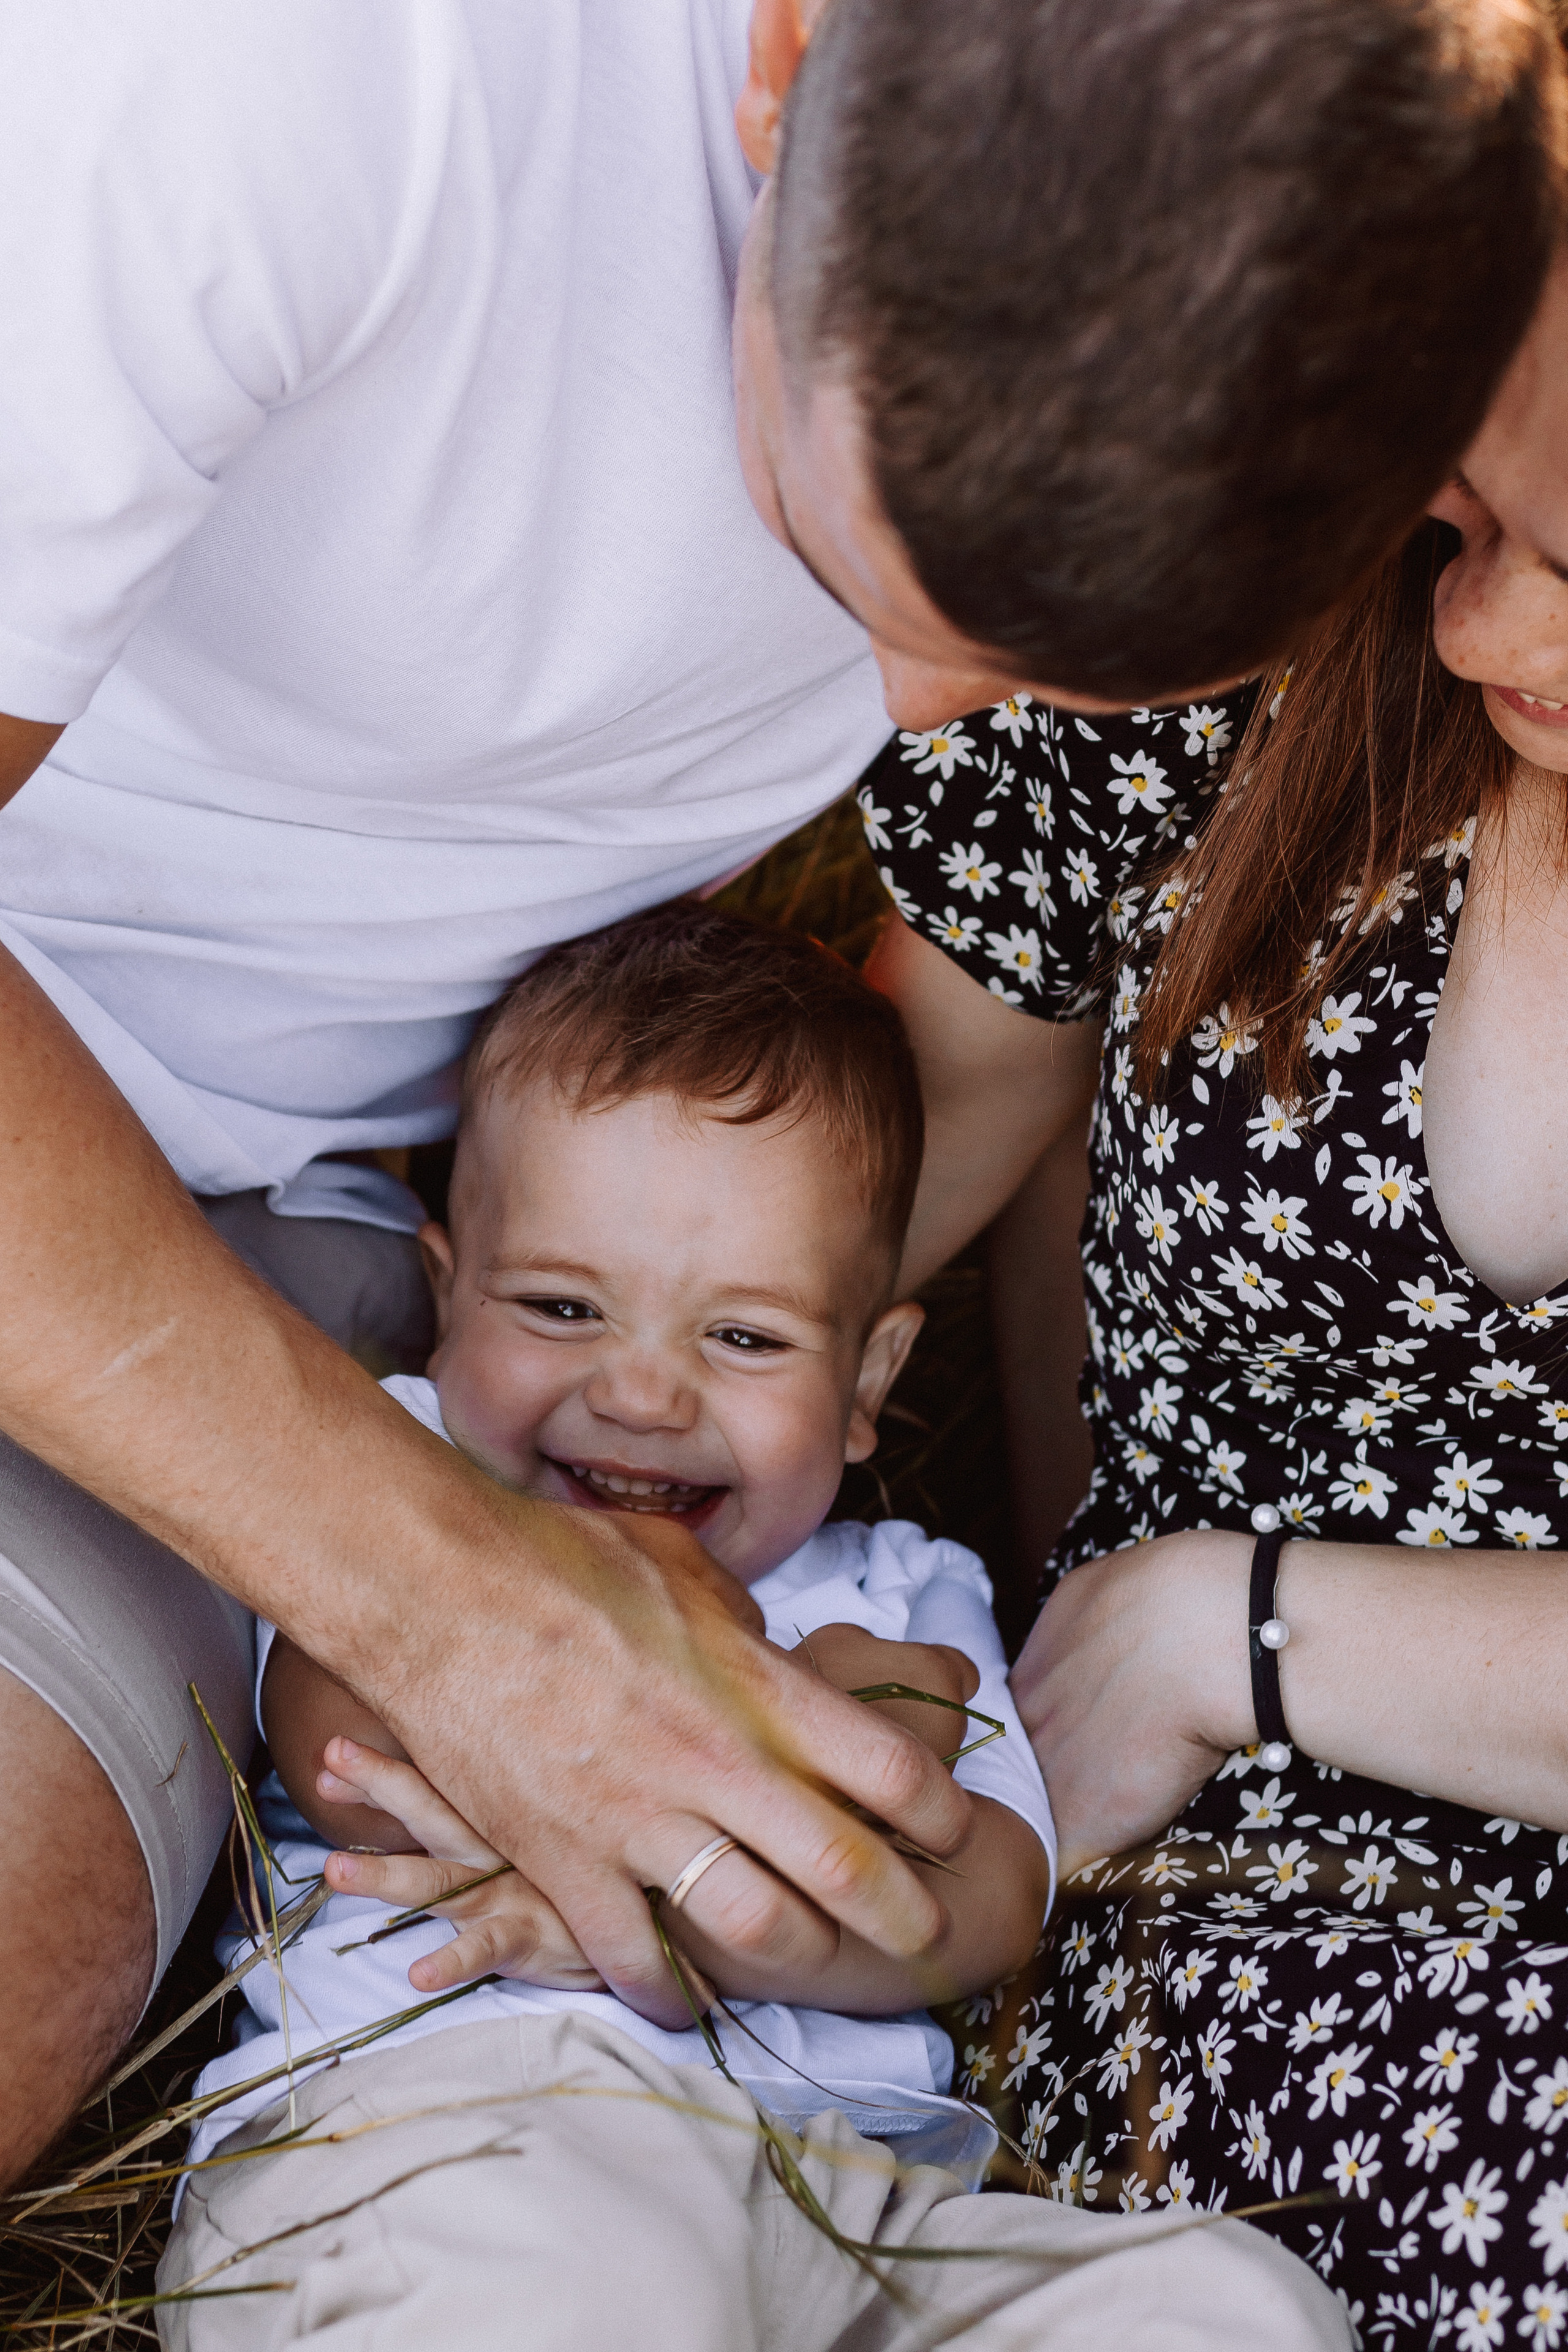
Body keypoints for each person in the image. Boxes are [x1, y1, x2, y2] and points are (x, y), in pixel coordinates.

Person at [0, 0, 1560, 2183]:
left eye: (1076, 674)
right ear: (786, 63)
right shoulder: (285, 77)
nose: (915, 716)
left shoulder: (1393, 229)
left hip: (314, 1230)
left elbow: (964, 1070)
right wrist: (463, 1606)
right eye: (856, 559)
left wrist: (746, 1428)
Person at [154, 902, 1347, 2351]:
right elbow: (348, 1744)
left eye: (743, 1337)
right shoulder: (389, 1483)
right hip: (461, 2125)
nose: (642, 1395)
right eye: (560, 1306)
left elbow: (981, 1906)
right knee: (560, 2304)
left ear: (867, 1382)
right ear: (446, 1296)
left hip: (845, 2202)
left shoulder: (907, 1595)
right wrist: (801, 1749)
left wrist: (710, 1916)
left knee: (1225, 2307)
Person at [861, 455, 1568, 2335]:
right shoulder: (1225, 632)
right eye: (1480, 515)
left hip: (1213, 1696)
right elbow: (833, 1195)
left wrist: (1231, 1632)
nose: (1481, 622)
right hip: (1219, 1891)